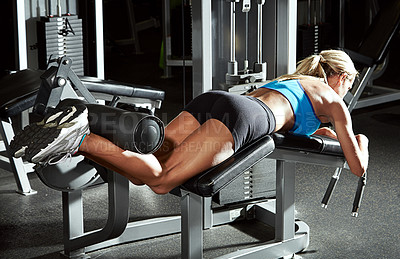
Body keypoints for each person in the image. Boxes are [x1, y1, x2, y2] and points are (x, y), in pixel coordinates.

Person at [10, 49, 369, 195]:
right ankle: (81, 138)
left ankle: (79, 134)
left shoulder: (293, 80)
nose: (347, 90)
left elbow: (311, 129)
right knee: (163, 183)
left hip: (218, 101)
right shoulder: (334, 99)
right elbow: (356, 165)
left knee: (144, 169)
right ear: (342, 77)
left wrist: (326, 131)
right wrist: (362, 140)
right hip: (246, 119)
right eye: (349, 83)